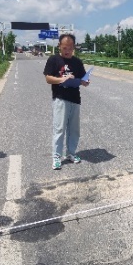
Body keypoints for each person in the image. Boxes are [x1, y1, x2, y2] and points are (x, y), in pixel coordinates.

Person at [43, 34, 90, 170]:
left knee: (74, 130)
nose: (67, 50)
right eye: (64, 47)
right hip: (60, 98)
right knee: (59, 129)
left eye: (70, 48)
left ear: (74, 47)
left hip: (75, 99)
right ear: (59, 46)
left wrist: (85, 82)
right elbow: (48, 78)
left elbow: (83, 79)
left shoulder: (77, 62)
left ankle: (71, 153)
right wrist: (62, 79)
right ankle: (56, 157)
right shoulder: (54, 59)